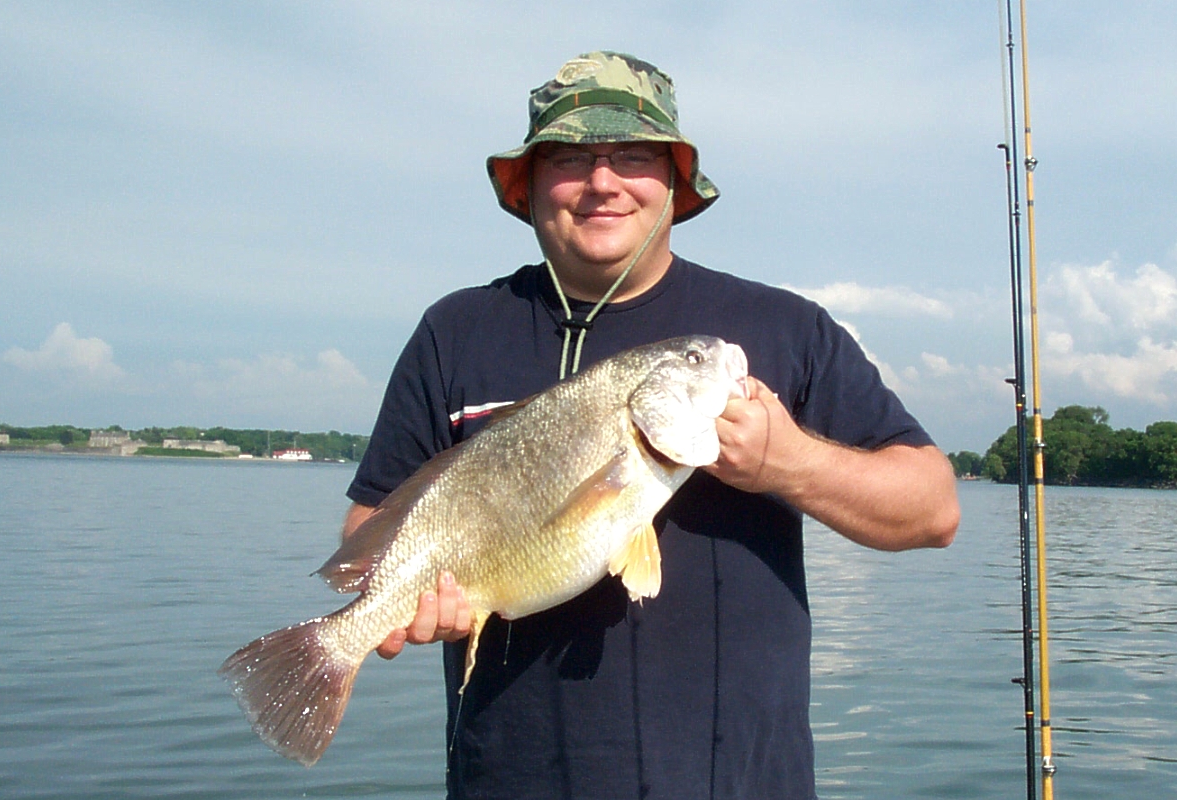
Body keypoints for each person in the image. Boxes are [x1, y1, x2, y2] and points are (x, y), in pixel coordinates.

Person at [344, 51, 959, 800]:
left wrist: (789, 464)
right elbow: (367, 528)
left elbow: (934, 508)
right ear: (528, 183)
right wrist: (406, 599)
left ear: (674, 180)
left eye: (633, 155)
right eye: (569, 157)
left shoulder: (784, 327)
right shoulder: (454, 332)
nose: (603, 181)